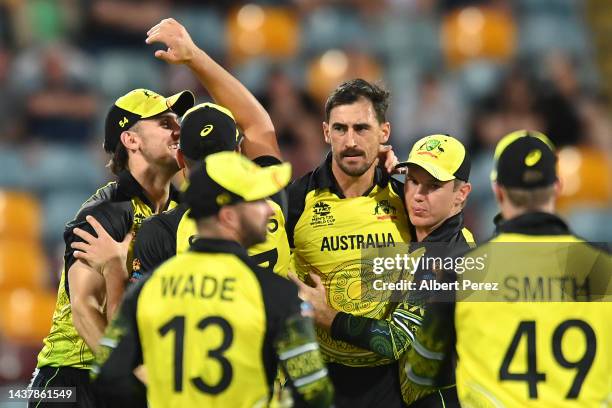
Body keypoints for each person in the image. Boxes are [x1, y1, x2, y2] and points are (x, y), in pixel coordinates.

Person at [92, 152, 334, 408]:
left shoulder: (146, 288)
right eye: (258, 201)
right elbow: (315, 391)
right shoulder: (277, 294)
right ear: (229, 216)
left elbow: (107, 375)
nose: (268, 209)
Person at [404, 130, 612, 406]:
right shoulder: (604, 266)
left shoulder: (463, 268)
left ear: (497, 190)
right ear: (558, 186)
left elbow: (420, 371)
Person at [28, 88, 194, 408]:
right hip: (72, 378)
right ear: (131, 140)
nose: (178, 129)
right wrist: (129, 377)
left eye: (178, 120)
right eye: (163, 122)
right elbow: (84, 310)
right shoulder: (106, 213)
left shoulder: (184, 211)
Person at [293, 134, 474, 407]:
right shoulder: (419, 228)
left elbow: (394, 340)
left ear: (461, 194)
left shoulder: (448, 259)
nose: (418, 196)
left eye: (434, 186)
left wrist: (326, 315)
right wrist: (370, 166)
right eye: (412, 181)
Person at [286, 78, 412, 407]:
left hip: (388, 384)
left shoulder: (407, 201)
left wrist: (403, 176)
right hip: (316, 382)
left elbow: (450, 241)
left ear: (384, 133)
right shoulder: (296, 200)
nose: (351, 141)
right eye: (340, 129)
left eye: (362, 128)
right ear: (325, 132)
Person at [132, 18, 289, 279]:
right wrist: (194, 56)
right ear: (239, 153)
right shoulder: (271, 200)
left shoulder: (162, 232)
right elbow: (257, 123)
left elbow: (143, 315)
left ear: (181, 159)